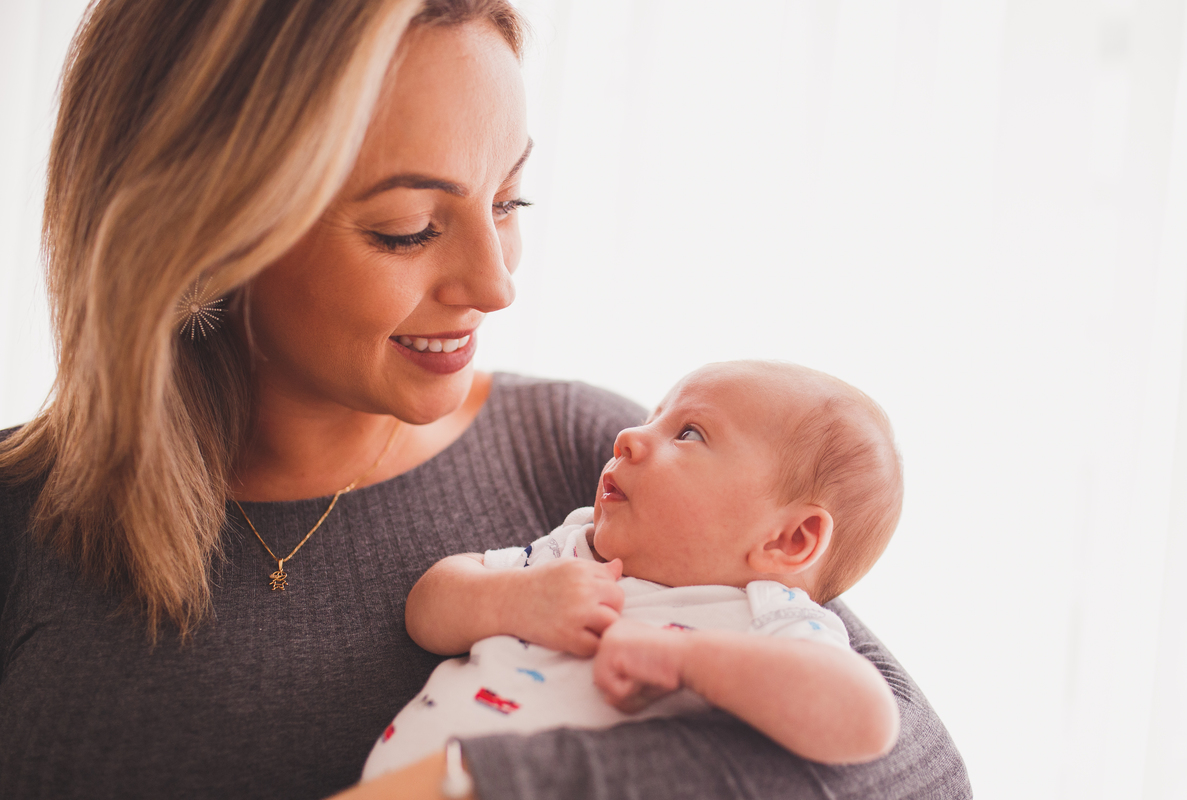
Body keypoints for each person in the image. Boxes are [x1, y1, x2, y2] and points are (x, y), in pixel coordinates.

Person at [0, 1, 971, 798]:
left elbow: (908, 771)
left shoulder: (590, 467)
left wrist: (465, 784)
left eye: (509, 202)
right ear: (205, 225)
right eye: (409, 228)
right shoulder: (22, 523)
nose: (497, 282)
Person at [363, 361, 903, 780]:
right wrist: (512, 597)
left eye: (689, 434)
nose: (627, 436)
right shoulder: (577, 549)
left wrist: (685, 660)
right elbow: (426, 610)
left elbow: (867, 720)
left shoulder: (766, 619)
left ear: (789, 539)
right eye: (650, 418)